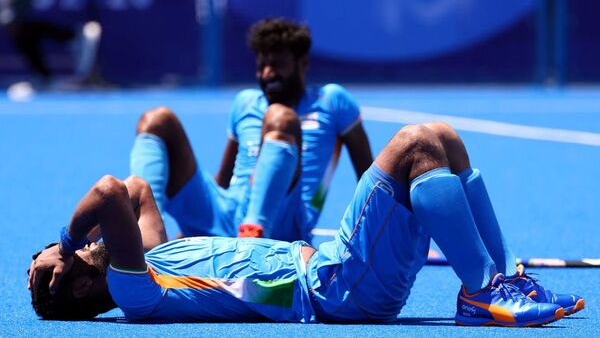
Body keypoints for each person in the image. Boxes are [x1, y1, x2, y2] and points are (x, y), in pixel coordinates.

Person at [28, 122, 584, 326]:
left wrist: (73, 248)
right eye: (46, 262)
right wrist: (68, 240)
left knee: (443, 139)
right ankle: (480, 292)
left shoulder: (151, 263)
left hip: (339, 277)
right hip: (333, 290)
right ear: (75, 283)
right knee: (415, 144)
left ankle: (505, 277)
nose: (51, 251)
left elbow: (135, 191)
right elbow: (105, 192)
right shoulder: (135, 294)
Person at [129, 18, 373, 242]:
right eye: (262, 65)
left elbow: (368, 178)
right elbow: (223, 180)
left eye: (276, 65)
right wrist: (194, 225)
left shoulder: (332, 101)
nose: (267, 73)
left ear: (303, 63)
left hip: (285, 221)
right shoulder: (245, 102)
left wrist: (369, 240)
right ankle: (147, 239)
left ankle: (250, 245)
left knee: (280, 117)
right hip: (229, 213)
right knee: (157, 120)